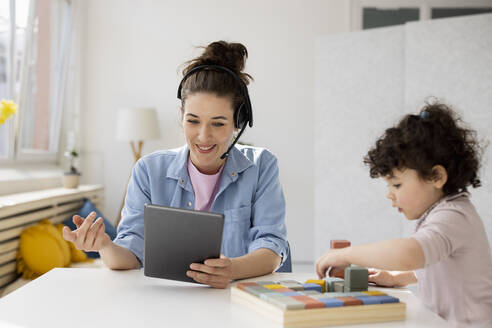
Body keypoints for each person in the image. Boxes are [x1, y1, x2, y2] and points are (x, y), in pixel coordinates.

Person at [63, 41, 289, 289]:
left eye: (218, 123)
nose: (203, 136)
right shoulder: (148, 171)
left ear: (238, 121)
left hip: (236, 300)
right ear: (181, 114)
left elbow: (271, 247)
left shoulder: (261, 167)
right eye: (193, 121)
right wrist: (104, 246)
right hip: (168, 303)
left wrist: (232, 270)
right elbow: (130, 253)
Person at [315, 103, 492, 327]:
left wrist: (346, 255)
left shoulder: (453, 217)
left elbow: (410, 253)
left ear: (436, 176)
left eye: (397, 185)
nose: (390, 195)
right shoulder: (442, 213)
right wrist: (399, 277)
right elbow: (441, 267)